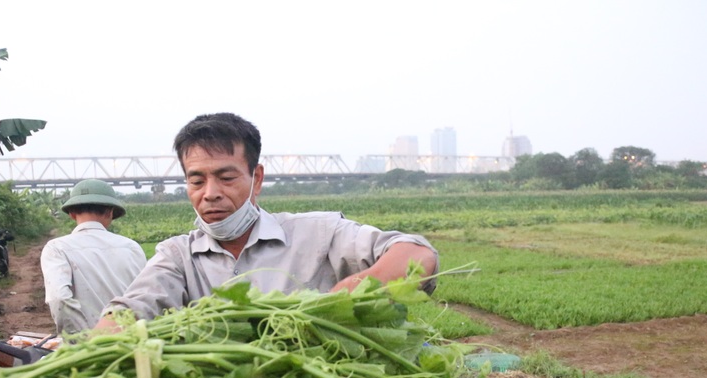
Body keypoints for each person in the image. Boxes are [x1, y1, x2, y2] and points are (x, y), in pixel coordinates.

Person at [97, 113, 437, 329]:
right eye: (196, 181)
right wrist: (97, 342)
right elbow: (131, 309)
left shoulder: (317, 233)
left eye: (226, 178)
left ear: (256, 178)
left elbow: (417, 254)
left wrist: (345, 296)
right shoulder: (177, 257)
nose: (210, 193)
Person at [40, 179, 147, 334]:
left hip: (88, 350)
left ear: (72, 213)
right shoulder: (132, 247)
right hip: (132, 341)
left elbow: (60, 299)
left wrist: (84, 340)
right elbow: (145, 297)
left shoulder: (57, 248)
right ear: (110, 212)